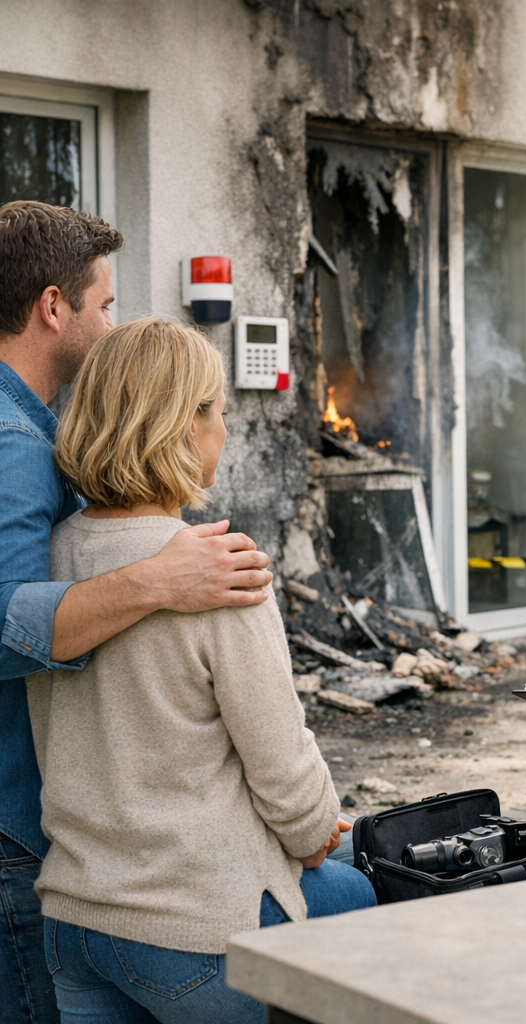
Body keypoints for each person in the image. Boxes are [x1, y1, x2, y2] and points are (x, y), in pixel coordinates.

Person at [26, 317, 376, 1023]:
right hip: (195, 929)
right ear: (183, 426)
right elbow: (282, 768)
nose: (223, 430)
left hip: (74, 921)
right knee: (363, 902)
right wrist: (313, 835)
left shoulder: (49, 559)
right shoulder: (219, 570)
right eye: (217, 411)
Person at [0, 201, 273, 1024]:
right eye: (105, 304)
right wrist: (158, 580)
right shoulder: (15, 444)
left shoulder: (37, 432)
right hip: (22, 830)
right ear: (55, 307)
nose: (113, 325)